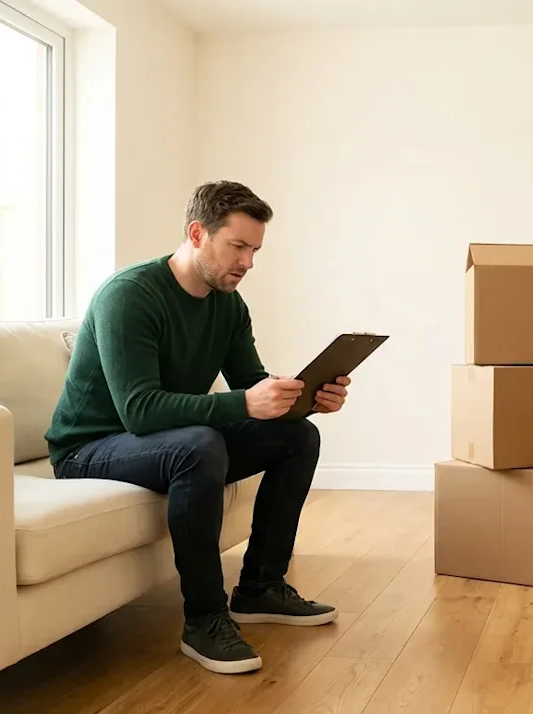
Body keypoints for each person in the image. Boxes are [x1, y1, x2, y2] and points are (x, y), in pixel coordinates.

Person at [45, 180, 346, 675]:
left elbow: (250, 387)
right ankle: (204, 619)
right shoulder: (130, 296)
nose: (248, 262)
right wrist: (247, 402)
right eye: (239, 246)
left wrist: (306, 401)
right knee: (199, 446)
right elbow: (139, 411)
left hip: (159, 441)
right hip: (89, 449)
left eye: (255, 250)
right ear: (197, 233)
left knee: (296, 438)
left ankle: (260, 588)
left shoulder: (227, 304)